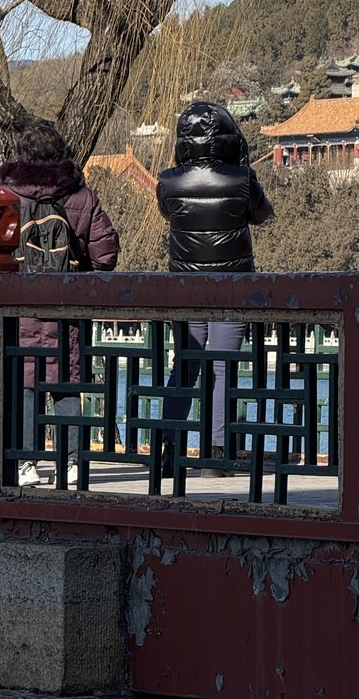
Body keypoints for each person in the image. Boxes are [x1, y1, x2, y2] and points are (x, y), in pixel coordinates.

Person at [0, 120, 119, 489]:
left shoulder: (4, 196)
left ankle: (25, 463)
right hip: (66, 311)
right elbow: (106, 256)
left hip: (19, 309)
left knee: (25, 384)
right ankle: (72, 463)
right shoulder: (81, 197)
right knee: (66, 382)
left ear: (21, 155)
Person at [156, 101, 273, 480]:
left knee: (185, 366)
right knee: (223, 368)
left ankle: (168, 447)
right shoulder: (242, 179)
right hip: (233, 286)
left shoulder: (169, 181)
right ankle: (216, 452)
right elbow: (263, 214)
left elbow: (168, 213)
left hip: (185, 288)